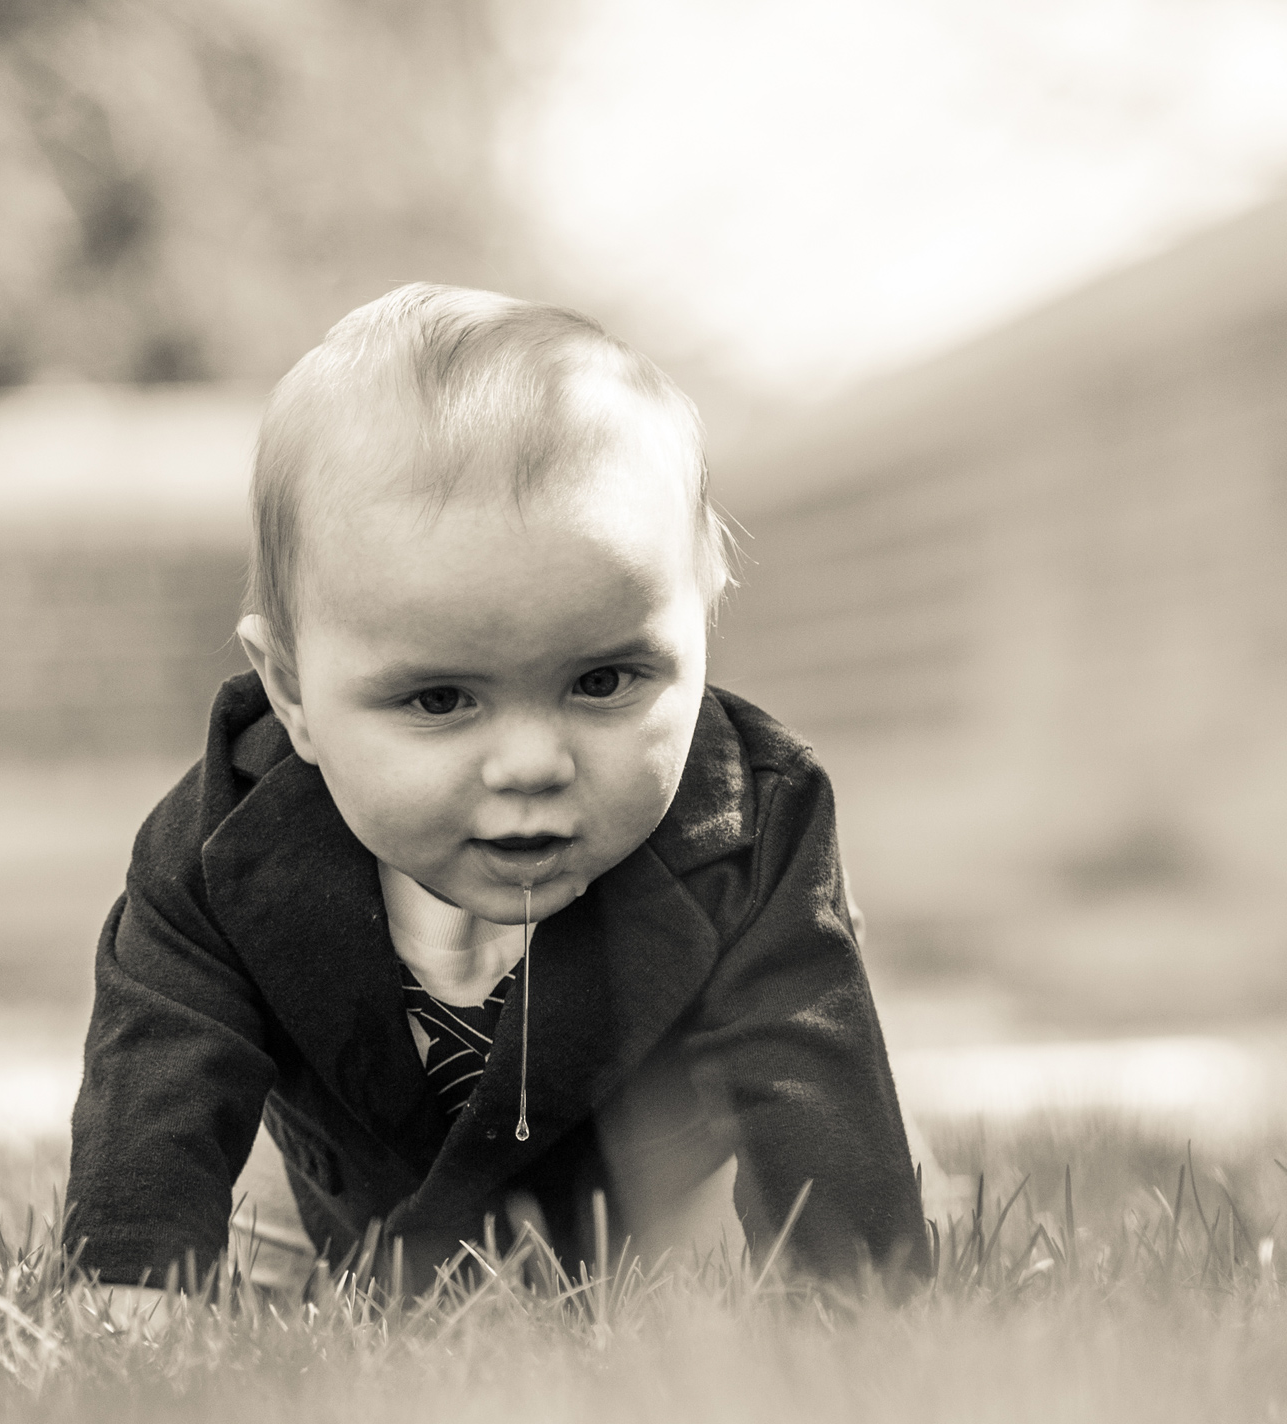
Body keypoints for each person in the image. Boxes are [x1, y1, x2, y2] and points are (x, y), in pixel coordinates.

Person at [64, 285, 926, 1312]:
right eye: (440, 699)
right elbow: (159, 1067)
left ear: (700, 629)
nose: (530, 764)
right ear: (292, 692)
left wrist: (851, 1284)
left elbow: (804, 1060)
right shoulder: (225, 846)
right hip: (365, 1200)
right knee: (278, 1239)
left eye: (603, 681)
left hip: (663, 1194)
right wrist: (133, 1284)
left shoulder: (748, 824)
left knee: (720, 1264)